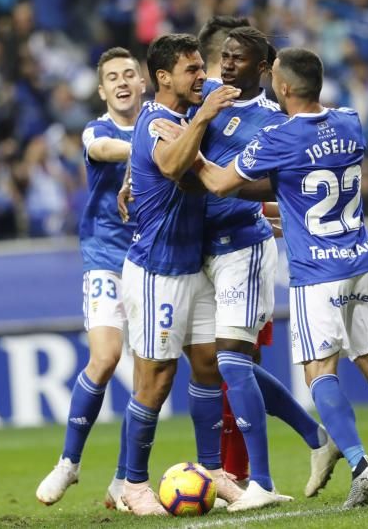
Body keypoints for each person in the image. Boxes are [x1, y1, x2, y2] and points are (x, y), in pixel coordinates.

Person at [192, 46, 368, 508]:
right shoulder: (350, 121)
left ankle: (361, 467)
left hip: (315, 274)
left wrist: (188, 154)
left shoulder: (280, 137)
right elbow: (304, 177)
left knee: (319, 372)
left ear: (283, 87)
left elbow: (222, 183)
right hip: (361, 264)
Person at [187, 24, 342, 499]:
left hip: (244, 246)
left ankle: (262, 482)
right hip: (197, 247)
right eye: (224, 55)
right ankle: (317, 437)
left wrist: (236, 190)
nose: (227, 63)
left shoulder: (276, 121)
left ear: (264, 69)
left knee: (234, 358)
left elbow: (283, 180)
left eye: (238, 58)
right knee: (217, 361)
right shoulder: (208, 97)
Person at [118, 34, 252, 516]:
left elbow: (212, 178)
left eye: (202, 67)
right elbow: (173, 166)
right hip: (157, 271)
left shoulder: (181, 117)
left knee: (208, 364)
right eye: (192, 70)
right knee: (155, 377)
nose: (202, 76)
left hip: (191, 266)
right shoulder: (159, 120)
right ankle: (133, 485)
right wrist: (205, 114)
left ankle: (213, 470)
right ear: (163, 78)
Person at [36, 47, 145, 509]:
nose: (122, 82)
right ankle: (69, 463)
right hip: (104, 256)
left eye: (129, 74)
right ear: (102, 91)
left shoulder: (163, 123)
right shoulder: (97, 130)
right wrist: (151, 147)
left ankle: (123, 481)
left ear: (142, 82)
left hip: (151, 259)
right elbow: (102, 150)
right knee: (104, 358)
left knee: (147, 378)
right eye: (112, 78)